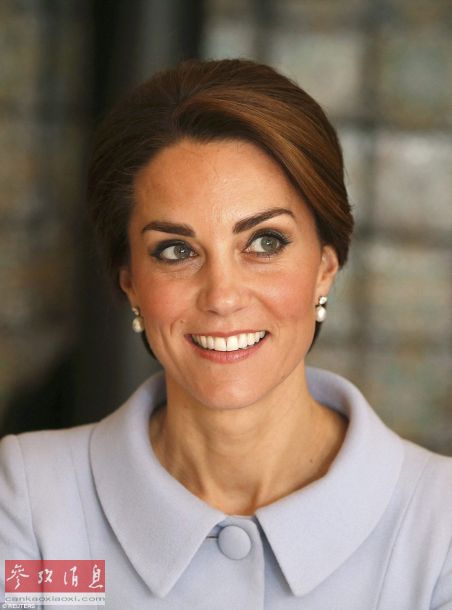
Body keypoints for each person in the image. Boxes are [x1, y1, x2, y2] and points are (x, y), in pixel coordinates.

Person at [1, 59, 451, 609]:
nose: (222, 296)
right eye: (177, 251)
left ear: (325, 266)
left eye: (264, 243)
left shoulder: (440, 528)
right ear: (130, 282)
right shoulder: (30, 504)